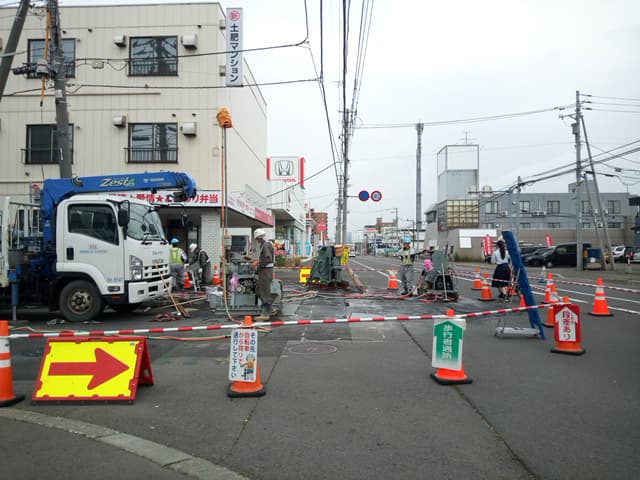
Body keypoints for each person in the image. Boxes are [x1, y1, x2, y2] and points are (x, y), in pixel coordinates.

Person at [250, 228, 274, 320]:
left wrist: (257, 262)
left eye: (256, 239)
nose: (256, 240)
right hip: (265, 272)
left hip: (265, 272)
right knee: (258, 290)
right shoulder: (265, 244)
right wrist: (257, 261)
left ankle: (265, 314)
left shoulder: (266, 245)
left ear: (259, 237)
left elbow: (268, 258)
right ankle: (270, 309)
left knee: (264, 293)